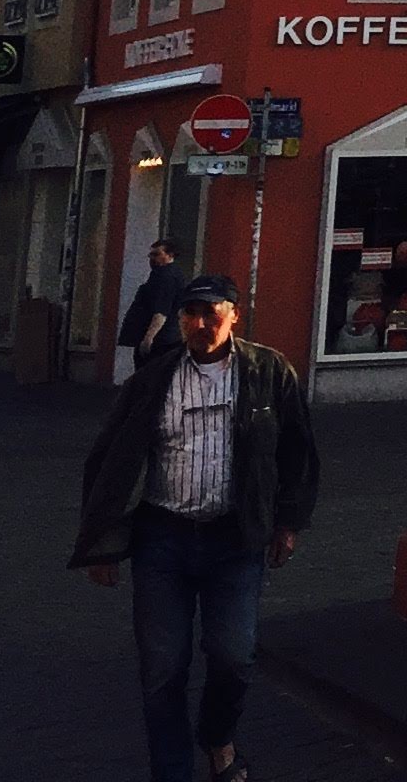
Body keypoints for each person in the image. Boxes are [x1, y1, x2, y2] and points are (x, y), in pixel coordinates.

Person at [73, 273, 321, 782]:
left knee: (234, 656)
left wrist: (288, 522)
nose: (200, 323)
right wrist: (100, 543)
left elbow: (298, 452)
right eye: (191, 313)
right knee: (162, 666)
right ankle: (172, 771)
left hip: (235, 538)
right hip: (162, 540)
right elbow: (109, 458)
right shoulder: (153, 379)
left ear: (234, 315)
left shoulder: (269, 371)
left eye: (212, 312)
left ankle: (217, 736)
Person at [116, 239, 184, 367]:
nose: (152, 258)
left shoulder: (165, 276)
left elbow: (161, 311)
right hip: (168, 337)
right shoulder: (172, 274)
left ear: (170, 255)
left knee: (148, 374)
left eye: (156, 254)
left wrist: (149, 338)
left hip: (160, 340)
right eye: (151, 255)